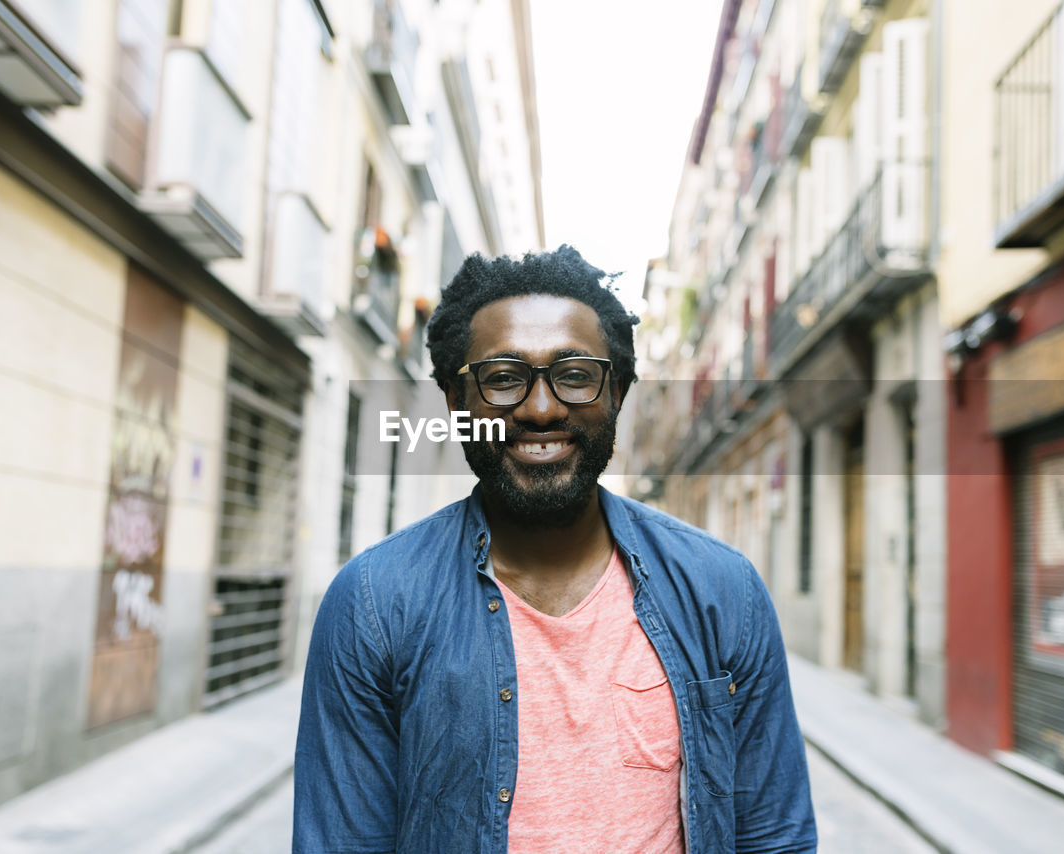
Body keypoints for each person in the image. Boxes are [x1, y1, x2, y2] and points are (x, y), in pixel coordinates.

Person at [293, 246, 817, 853]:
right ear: (456, 404)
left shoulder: (723, 590)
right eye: (503, 378)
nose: (540, 409)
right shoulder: (372, 605)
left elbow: (775, 837)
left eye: (573, 375)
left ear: (616, 392)